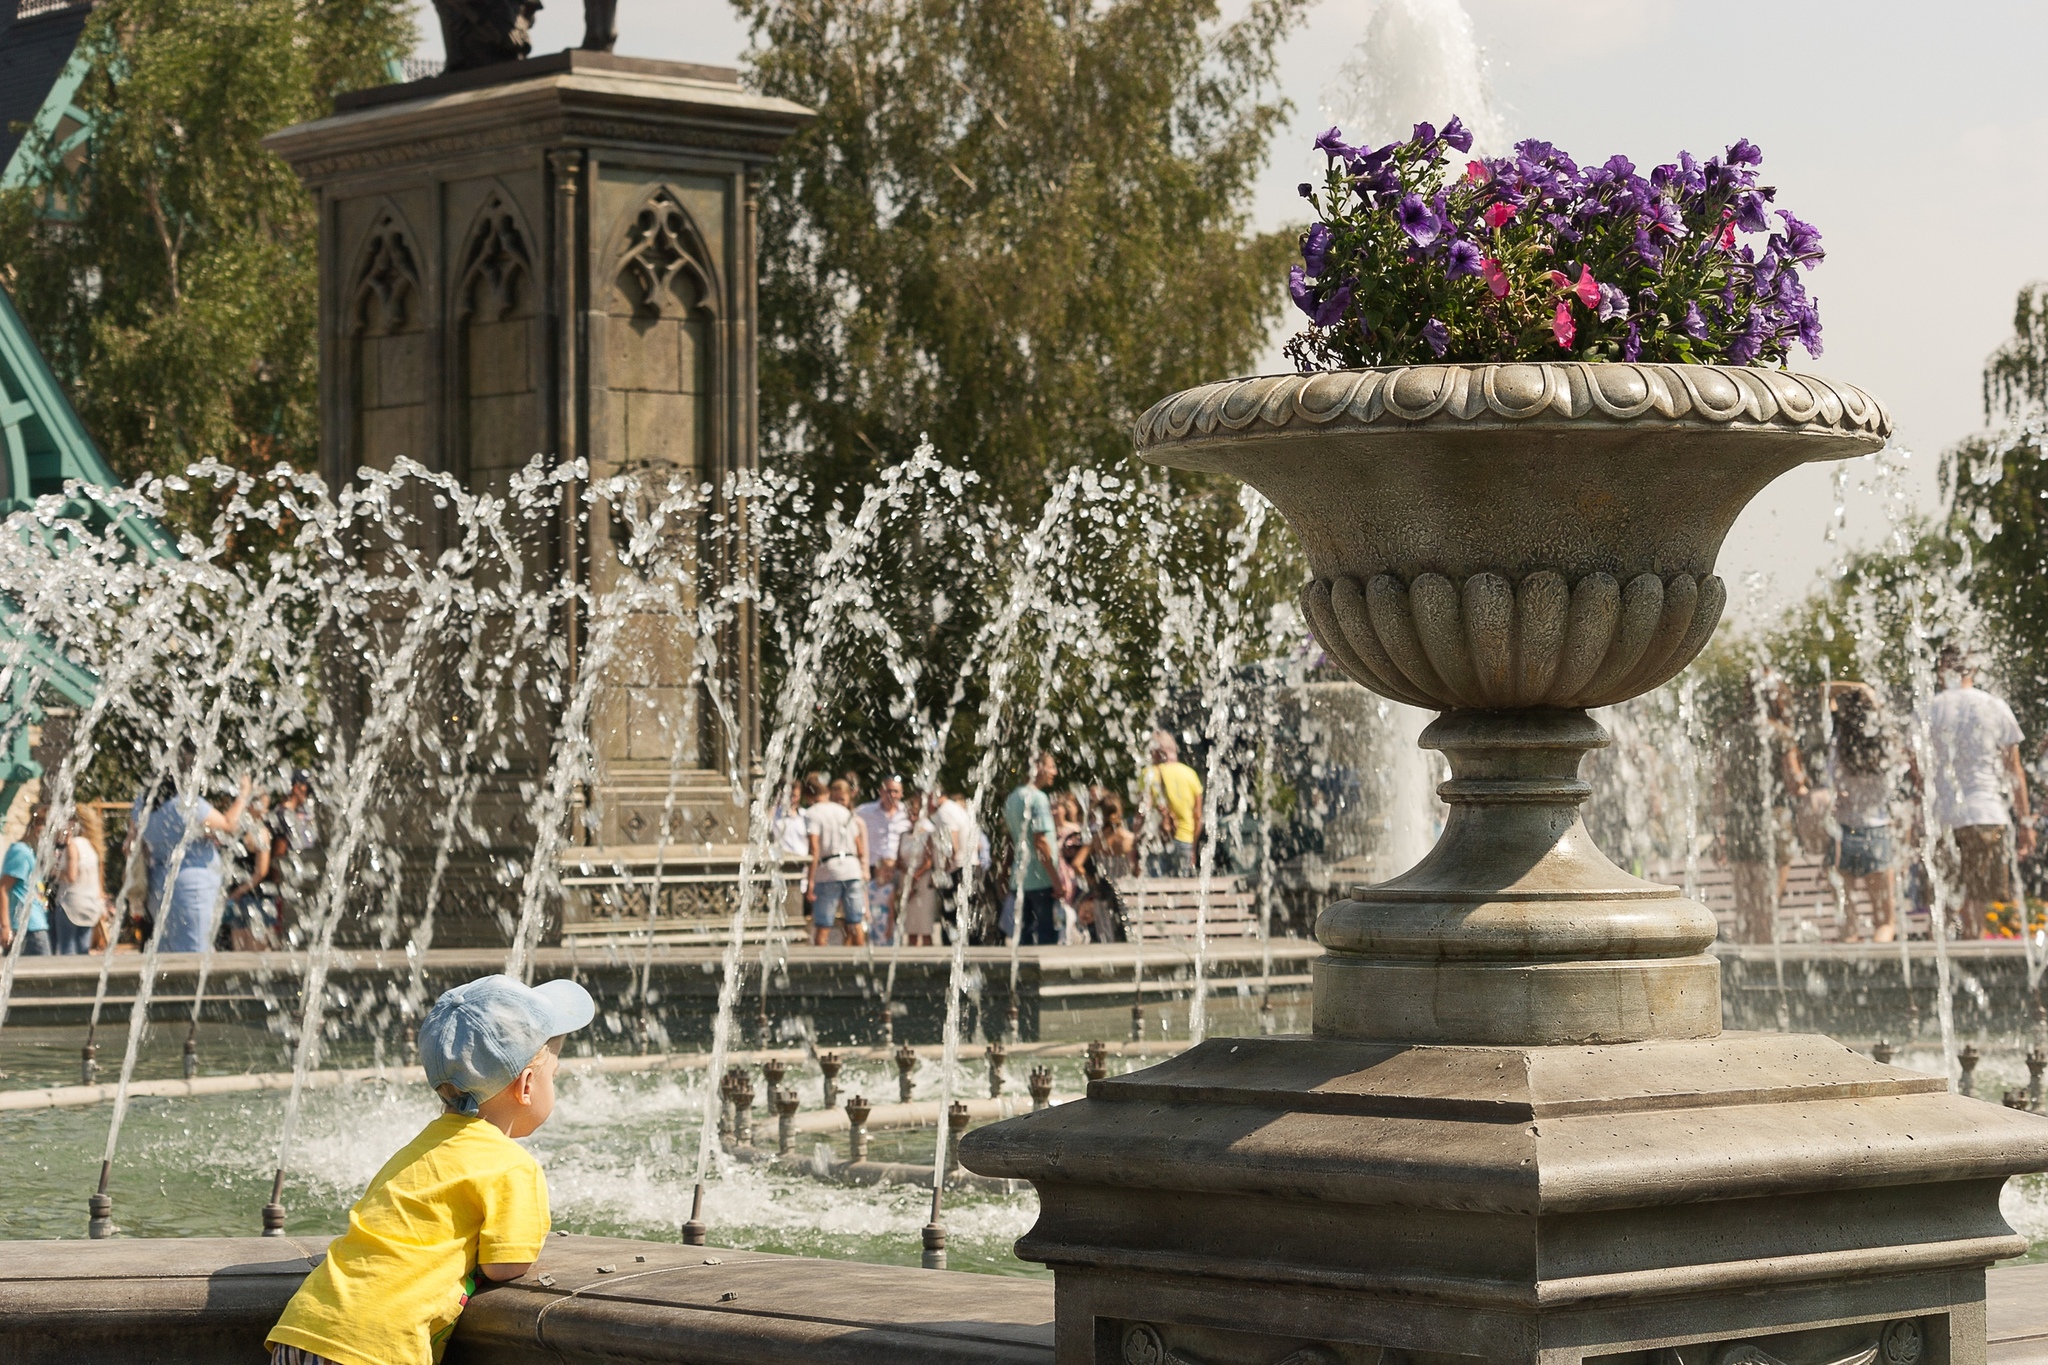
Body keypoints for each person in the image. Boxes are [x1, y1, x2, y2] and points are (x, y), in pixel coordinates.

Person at [267, 972, 593, 1365]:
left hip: (304, 1328)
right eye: (553, 1077)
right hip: (378, 1347)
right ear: (526, 1086)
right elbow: (506, 1264)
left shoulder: (418, 1148)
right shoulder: (512, 1166)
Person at [1921, 645, 2032, 938]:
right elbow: (2015, 772)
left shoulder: (1930, 707)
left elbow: (1917, 770)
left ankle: (1938, 976)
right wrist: (2026, 823)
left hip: (1943, 818)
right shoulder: (1995, 706)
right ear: (1974, 668)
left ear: (1942, 668)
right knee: (1976, 913)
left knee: (1941, 908)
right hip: (1987, 814)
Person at [1714, 676, 1809, 944]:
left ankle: (1744, 968)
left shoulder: (1730, 731)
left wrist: (1718, 831)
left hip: (1738, 822)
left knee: (1745, 907)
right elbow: (1793, 783)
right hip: (1773, 822)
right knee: (1768, 906)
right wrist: (1806, 784)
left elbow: (1718, 786)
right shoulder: (1780, 733)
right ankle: (1765, 968)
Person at [132, 768, 253, 953]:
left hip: (159, 886)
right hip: (192, 889)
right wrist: (244, 794)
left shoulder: (141, 804)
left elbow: (136, 844)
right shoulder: (184, 803)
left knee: (167, 953)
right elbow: (229, 826)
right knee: (195, 953)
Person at [1825, 682, 1897, 943]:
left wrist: (1853, 687)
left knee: (1848, 926)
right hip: (1876, 833)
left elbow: (1826, 691)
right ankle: (1879, 974)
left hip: (1842, 834)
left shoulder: (1837, 744)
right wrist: (1866, 689)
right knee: (1885, 922)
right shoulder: (1886, 746)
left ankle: (1850, 979)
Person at [1003, 752, 1066, 946]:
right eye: (1051, 767)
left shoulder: (1012, 798)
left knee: (1024, 938)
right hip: (1041, 880)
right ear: (1038, 767)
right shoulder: (1038, 799)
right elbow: (1040, 843)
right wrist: (1056, 880)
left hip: (1020, 879)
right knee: (1047, 937)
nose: (1055, 772)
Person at [803, 773, 869, 946]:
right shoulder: (844, 811)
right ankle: (863, 965)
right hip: (852, 869)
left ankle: (819, 968)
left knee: (823, 924)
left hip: (828, 871)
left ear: (808, 796)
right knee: (855, 921)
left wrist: (810, 880)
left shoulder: (812, 813)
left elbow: (814, 848)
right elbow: (860, 849)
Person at [855, 775, 912, 945]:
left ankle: (895, 940)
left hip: (898, 868)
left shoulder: (908, 813)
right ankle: (872, 940)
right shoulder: (865, 811)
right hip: (874, 868)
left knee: (897, 908)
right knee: (872, 907)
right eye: (888, 790)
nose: (891, 795)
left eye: (895, 791)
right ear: (881, 791)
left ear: (901, 794)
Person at [1141, 730, 1203, 876]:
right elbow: (1199, 817)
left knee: (1155, 892)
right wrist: (1193, 847)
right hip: (1185, 840)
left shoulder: (1148, 774)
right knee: (1183, 892)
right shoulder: (1191, 774)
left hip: (1158, 840)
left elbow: (1142, 813)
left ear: (1156, 751)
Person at [1078, 792, 1137, 943]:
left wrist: (1093, 883)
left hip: (1103, 895)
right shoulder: (1129, 839)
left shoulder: (1096, 839)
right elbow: (1136, 871)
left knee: (1107, 939)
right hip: (1127, 895)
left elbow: (1077, 864)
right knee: (1128, 938)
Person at [223, 791, 277, 951]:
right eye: (263, 806)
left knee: (239, 955)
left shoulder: (236, 831)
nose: (266, 811)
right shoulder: (261, 832)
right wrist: (240, 892)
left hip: (237, 900)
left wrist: (234, 893)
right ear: (252, 805)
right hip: (259, 900)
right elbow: (261, 872)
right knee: (258, 959)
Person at [52, 807, 110, 956]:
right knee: (83, 950)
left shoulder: (72, 845)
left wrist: (52, 872)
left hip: (70, 905)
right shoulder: (90, 845)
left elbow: (71, 876)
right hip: (90, 905)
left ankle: (69, 980)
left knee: (67, 951)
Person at [0, 804, 50, 956]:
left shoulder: (30, 852)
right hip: (28, 929)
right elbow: (2, 889)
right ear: (38, 827)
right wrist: (5, 927)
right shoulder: (21, 852)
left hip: (33, 926)